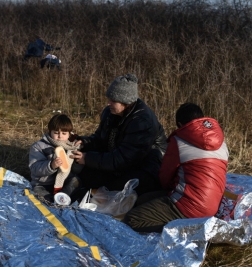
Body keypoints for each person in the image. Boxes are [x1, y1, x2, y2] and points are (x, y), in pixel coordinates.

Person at [122, 103, 229, 233]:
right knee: (143, 200)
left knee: (132, 219)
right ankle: (187, 222)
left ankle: (186, 230)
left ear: (179, 124)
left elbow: (165, 176)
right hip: (213, 205)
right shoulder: (221, 143)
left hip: (189, 206)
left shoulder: (179, 141)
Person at [70, 73, 167, 197]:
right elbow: (100, 138)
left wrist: (87, 158)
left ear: (126, 102)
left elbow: (125, 159)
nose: (108, 103)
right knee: (84, 174)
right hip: (118, 162)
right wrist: (85, 143)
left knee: (111, 187)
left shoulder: (142, 122)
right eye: (109, 98)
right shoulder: (110, 113)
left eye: (113, 100)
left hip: (144, 168)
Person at [28, 114, 81, 202]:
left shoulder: (72, 147)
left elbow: (76, 171)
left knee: (76, 181)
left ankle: (62, 198)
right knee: (39, 195)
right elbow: (34, 168)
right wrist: (51, 165)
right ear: (50, 132)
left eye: (64, 133)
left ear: (69, 134)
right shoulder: (38, 146)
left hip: (64, 182)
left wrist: (77, 162)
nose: (60, 136)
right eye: (56, 133)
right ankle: (54, 200)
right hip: (43, 184)